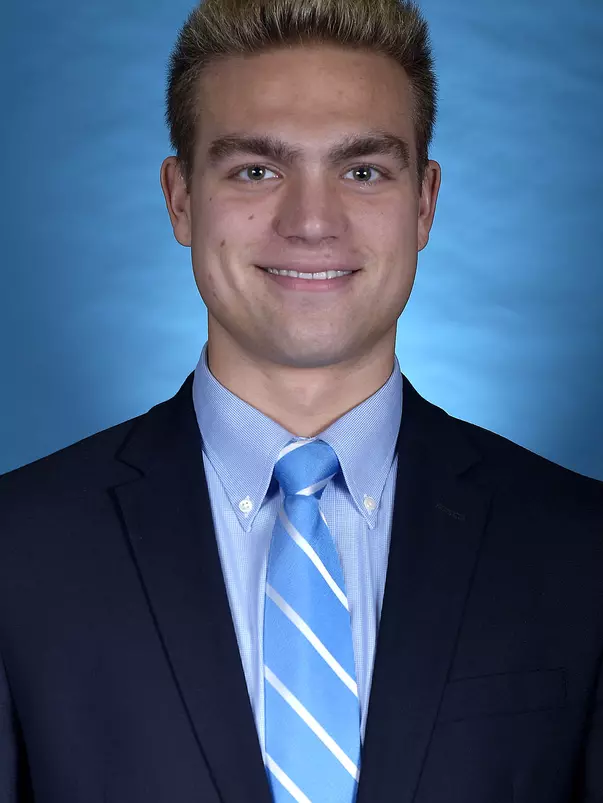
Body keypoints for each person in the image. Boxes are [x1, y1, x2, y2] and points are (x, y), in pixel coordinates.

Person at [1, 0, 602, 800]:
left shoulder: (580, 551)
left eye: (362, 171)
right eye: (256, 169)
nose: (312, 221)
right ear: (181, 198)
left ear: (422, 203)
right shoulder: (18, 550)